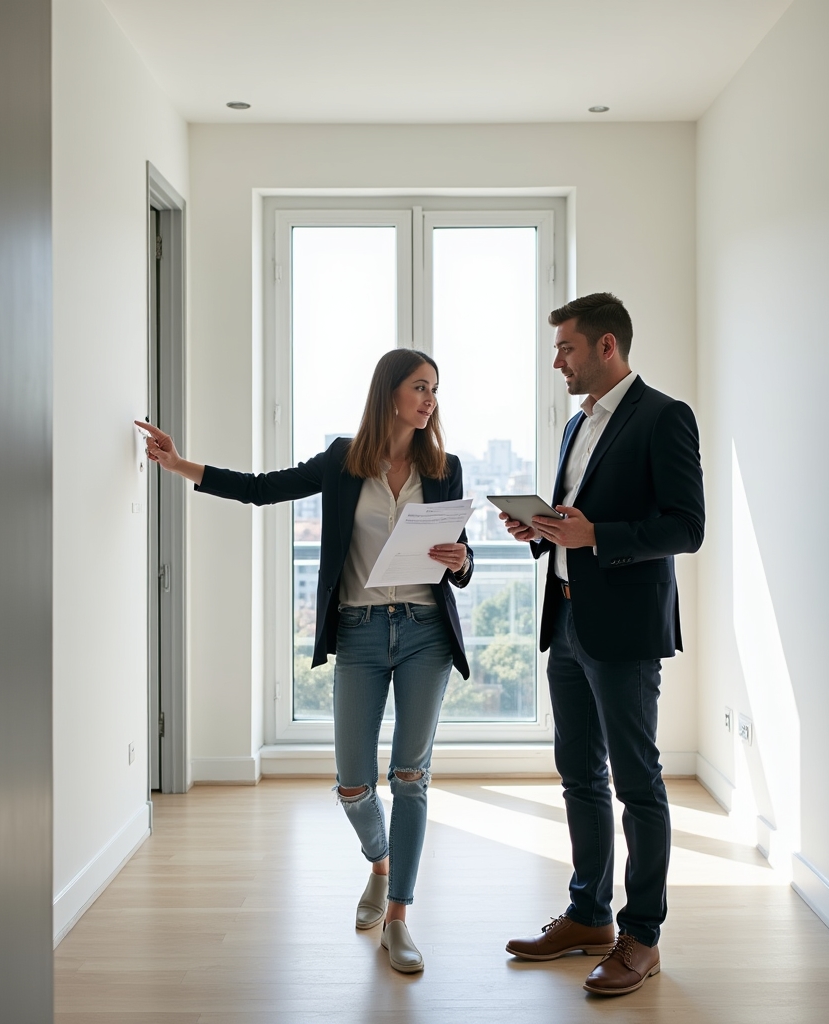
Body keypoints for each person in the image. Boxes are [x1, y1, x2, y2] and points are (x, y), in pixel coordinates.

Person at [135, 348, 473, 975]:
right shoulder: (344, 460)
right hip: (362, 631)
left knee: (410, 777)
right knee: (352, 783)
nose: (430, 400)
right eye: (420, 388)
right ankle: (381, 864)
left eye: (435, 390)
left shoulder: (445, 467)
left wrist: (461, 561)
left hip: (426, 631)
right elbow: (262, 491)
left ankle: (399, 916)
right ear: (389, 393)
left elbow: (461, 555)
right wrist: (177, 462)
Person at [501, 293, 704, 996]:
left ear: (606, 345)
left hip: (623, 632)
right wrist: (544, 531)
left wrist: (599, 538)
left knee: (638, 784)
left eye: (566, 348)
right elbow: (577, 519)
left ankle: (640, 935)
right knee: (579, 777)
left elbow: (686, 527)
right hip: (567, 623)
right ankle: (588, 914)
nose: (557, 359)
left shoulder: (664, 417)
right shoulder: (574, 425)